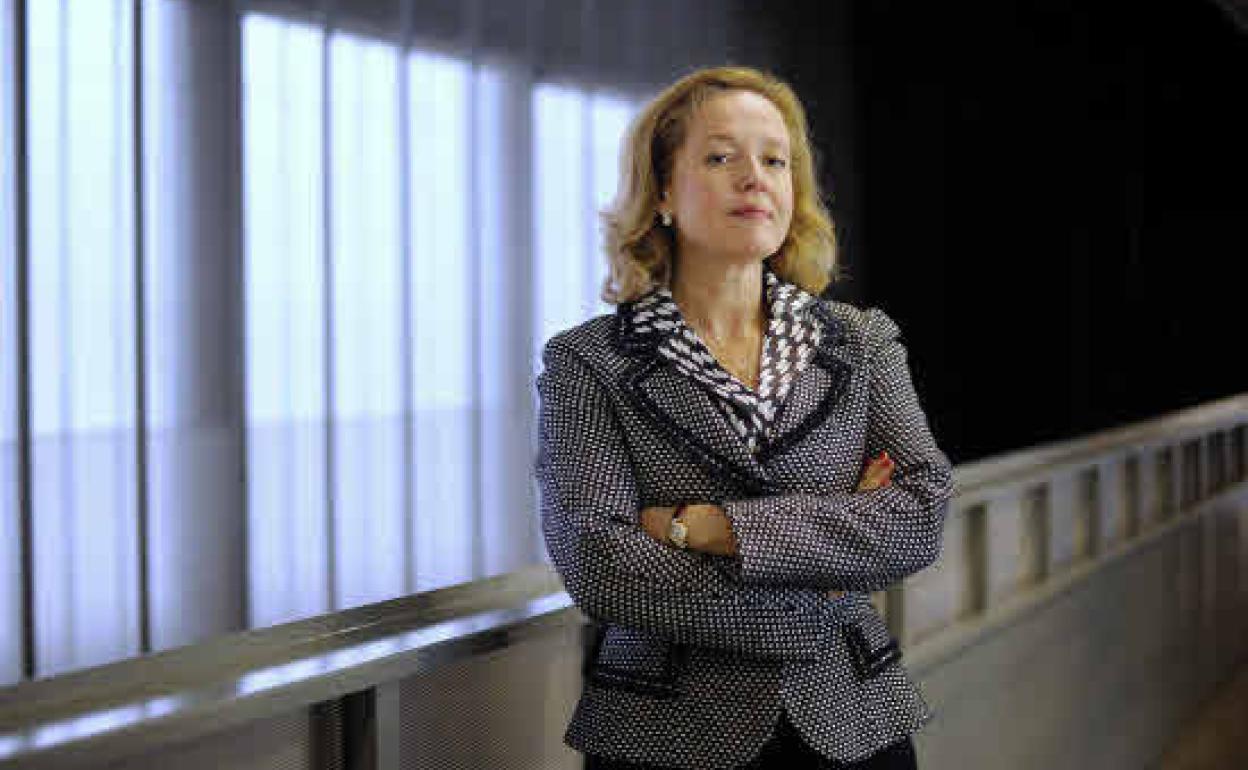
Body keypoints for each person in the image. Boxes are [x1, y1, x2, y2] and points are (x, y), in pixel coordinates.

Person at [534, 66, 953, 769]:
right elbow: (598, 560)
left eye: (775, 160)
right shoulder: (589, 361)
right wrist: (821, 585)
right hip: (663, 733)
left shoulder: (861, 342)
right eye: (721, 157)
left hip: (850, 719)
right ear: (662, 192)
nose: (754, 177)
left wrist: (705, 527)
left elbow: (921, 510)